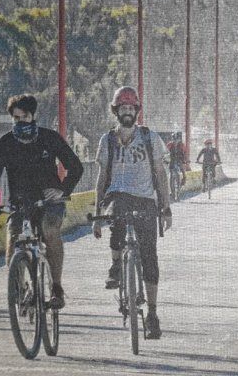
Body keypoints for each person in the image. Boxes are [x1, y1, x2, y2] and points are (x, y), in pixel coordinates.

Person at [0, 94, 83, 310]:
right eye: (16, 118)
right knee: (12, 241)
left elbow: (75, 167)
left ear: (33, 116)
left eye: (24, 117)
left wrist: (62, 190)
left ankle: (56, 287)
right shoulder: (4, 143)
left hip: (50, 202)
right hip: (19, 203)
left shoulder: (49, 138)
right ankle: (19, 288)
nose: (20, 122)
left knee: (49, 230)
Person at [92, 86, 172, 340]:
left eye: (131, 108)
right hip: (118, 195)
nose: (127, 112)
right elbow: (102, 177)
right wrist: (97, 213)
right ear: (116, 111)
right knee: (116, 219)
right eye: (122, 108)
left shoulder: (149, 138)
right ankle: (116, 265)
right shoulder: (107, 140)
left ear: (137, 111)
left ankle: (152, 314)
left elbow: (161, 174)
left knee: (149, 257)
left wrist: (166, 207)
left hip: (146, 199)